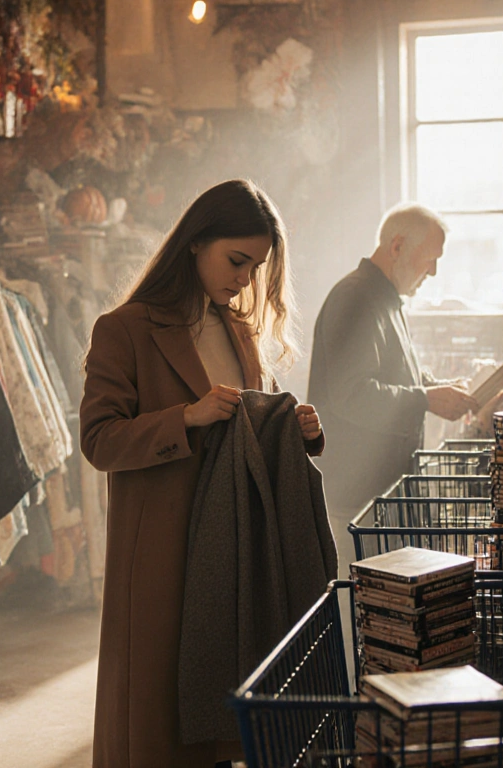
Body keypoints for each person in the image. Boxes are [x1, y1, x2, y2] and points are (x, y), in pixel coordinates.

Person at [80, 180, 325, 768]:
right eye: (236, 261)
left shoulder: (239, 330)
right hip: (161, 550)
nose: (244, 279)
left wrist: (298, 430)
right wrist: (185, 418)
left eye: (256, 267)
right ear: (195, 243)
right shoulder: (124, 329)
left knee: (225, 704)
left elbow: (249, 434)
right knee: (160, 721)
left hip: (233, 543)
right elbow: (97, 441)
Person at [307, 202, 478, 569]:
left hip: (377, 494)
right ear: (397, 246)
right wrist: (426, 398)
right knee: (363, 611)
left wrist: (438, 388)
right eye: (430, 259)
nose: (433, 272)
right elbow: (353, 394)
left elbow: (393, 374)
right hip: (357, 499)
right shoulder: (355, 297)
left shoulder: (385, 299)